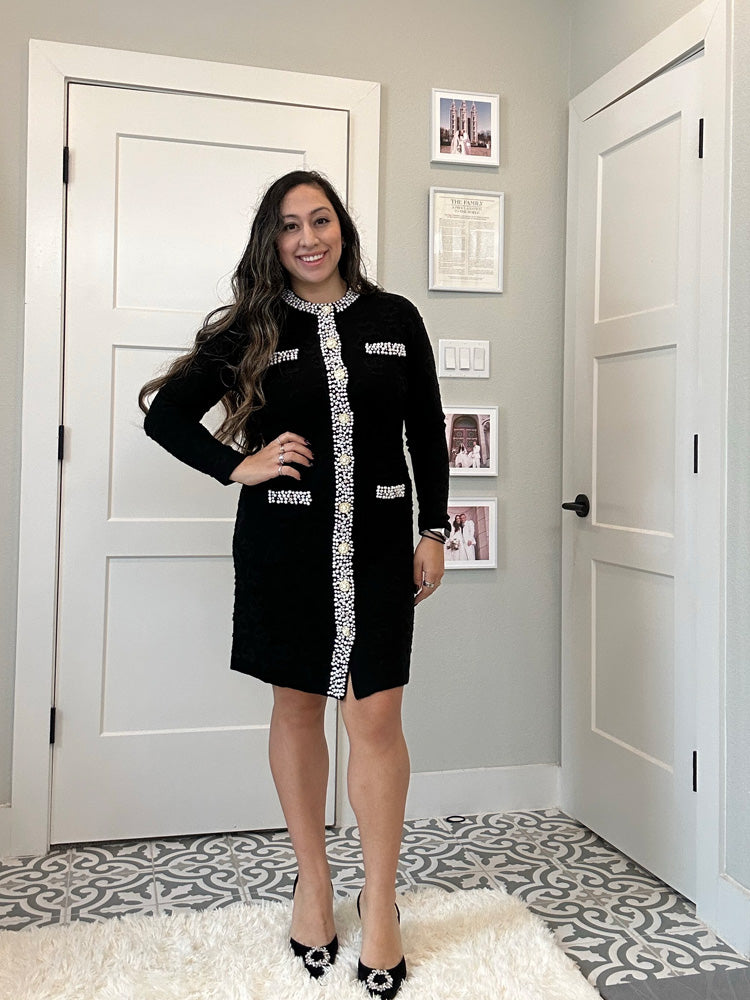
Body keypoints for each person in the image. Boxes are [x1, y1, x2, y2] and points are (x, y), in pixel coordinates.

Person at [138, 170, 449, 999]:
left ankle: (377, 904)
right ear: (270, 242)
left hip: (383, 547)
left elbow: (427, 429)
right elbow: (166, 415)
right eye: (288, 226)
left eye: (320, 220)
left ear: (341, 227)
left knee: (377, 716)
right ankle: (314, 884)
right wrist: (237, 464)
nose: (308, 237)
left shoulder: (395, 320)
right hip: (286, 549)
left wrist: (435, 529)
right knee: (296, 705)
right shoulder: (254, 325)